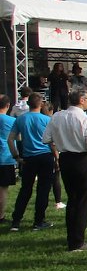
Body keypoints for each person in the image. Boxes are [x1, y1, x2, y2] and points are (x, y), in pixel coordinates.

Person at [41, 90, 87, 251]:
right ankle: (77, 241)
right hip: (82, 159)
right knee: (83, 200)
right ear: (81, 100)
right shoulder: (86, 120)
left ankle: (72, 237)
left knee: (72, 199)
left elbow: (46, 138)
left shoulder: (57, 116)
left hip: (65, 159)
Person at [7, 93, 55, 232]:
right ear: (40, 104)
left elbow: (11, 139)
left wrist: (16, 156)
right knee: (43, 189)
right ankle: (38, 221)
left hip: (28, 157)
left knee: (25, 189)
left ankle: (16, 220)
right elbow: (52, 141)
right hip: (45, 156)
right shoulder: (47, 119)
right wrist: (56, 157)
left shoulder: (21, 119)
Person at [0, 96, 17, 224]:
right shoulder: (11, 121)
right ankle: (0, 216)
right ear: (8, 105)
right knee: (2, 189)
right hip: (5, 157)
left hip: (5, 157)